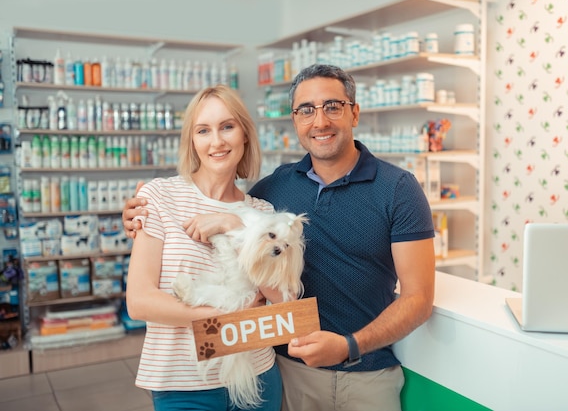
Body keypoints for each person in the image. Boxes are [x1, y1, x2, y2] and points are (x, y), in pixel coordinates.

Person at [124, 64, 436, 411]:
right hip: (269, 374)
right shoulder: (271, 190)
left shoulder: (395, 189)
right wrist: (140, 214)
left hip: (340, 373)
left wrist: (351, 345)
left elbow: (416, 297)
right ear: (295, 120)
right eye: (307, 110)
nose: (320, 121)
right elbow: (139, 299)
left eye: (332, 106)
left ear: (354, 113)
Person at [125, 85, 286, 411]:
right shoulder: (160, 196)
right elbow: (139, 301)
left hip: (256, 376)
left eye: (227, 126)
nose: (217, 141)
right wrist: (223, 318)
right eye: (203, 130)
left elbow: (283, 298)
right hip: (183, 383)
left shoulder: (264, 213)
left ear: (244, 134)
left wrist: (235, 226)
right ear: (192, 140)